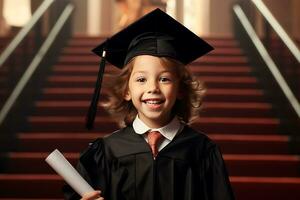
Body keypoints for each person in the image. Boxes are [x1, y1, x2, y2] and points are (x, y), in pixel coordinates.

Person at [63, 8, 235, 200]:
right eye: (141, 79)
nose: (153, 87)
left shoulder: (202, 151)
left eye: (164, 79)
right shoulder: (105, 151)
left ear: (180, 90)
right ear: (126, 91)